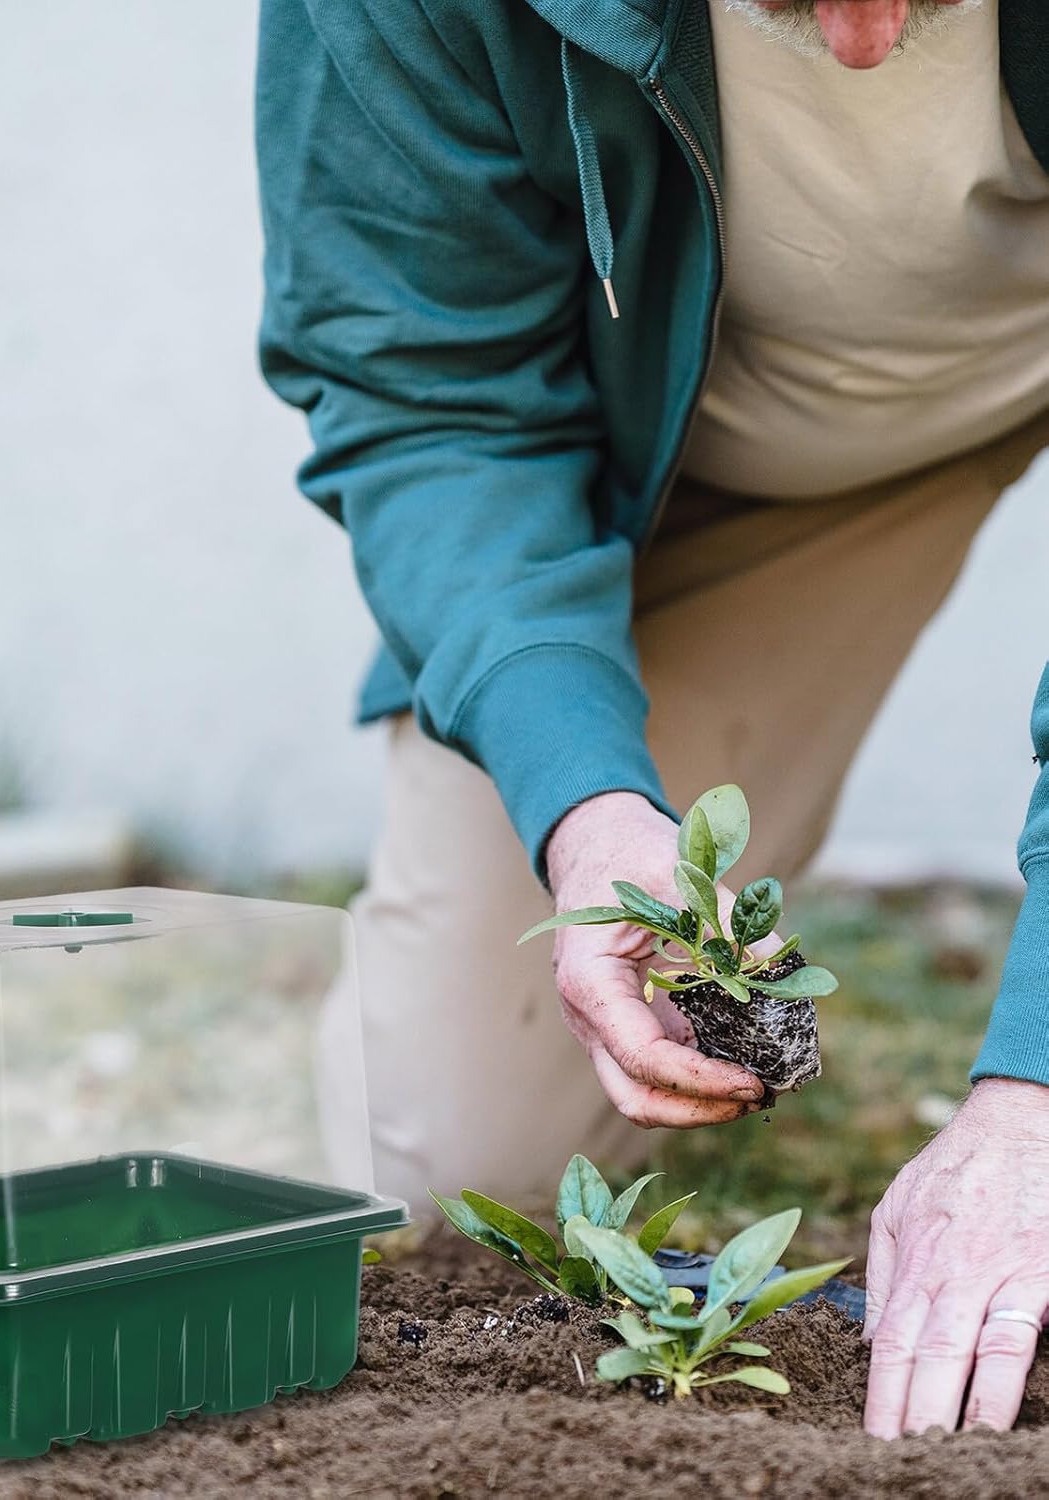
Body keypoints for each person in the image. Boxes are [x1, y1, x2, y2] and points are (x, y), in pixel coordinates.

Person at [256, 0, 1049, 1441]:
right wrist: (586, 804)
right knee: (452, 1163)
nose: (864, 45)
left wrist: (1037, 1091)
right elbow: (429, 394)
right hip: (748, 456)